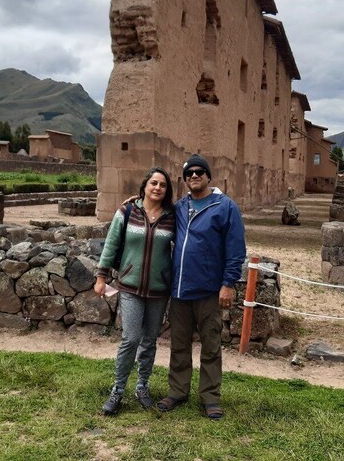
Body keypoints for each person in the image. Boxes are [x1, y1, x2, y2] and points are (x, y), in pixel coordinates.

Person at [156, 154, 246, 420]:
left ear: (208, 176)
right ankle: (177, 391)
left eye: (199, 172)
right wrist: (132, 203)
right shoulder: (180, 207)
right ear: (184, 180)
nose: (194, 176)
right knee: (179, 345)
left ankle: (210, 397)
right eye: (189, 173)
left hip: (208, 290)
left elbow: (235, 249)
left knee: (210, 346)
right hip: (180, 290)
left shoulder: (224, 206)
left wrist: (228, 283)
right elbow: (152, 208)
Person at [95, 167, 176, 415]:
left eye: (163, 185)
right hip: (129, 286)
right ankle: (118, 390)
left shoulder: (173, 216)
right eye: (154, 183)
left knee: (149, 341)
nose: (158, 188)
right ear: (145, 186)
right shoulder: (127, 211)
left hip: (158, 290)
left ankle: (142, 386)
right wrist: (101, 276)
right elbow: (111, 244)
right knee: (130, 339)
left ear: (167, 190)